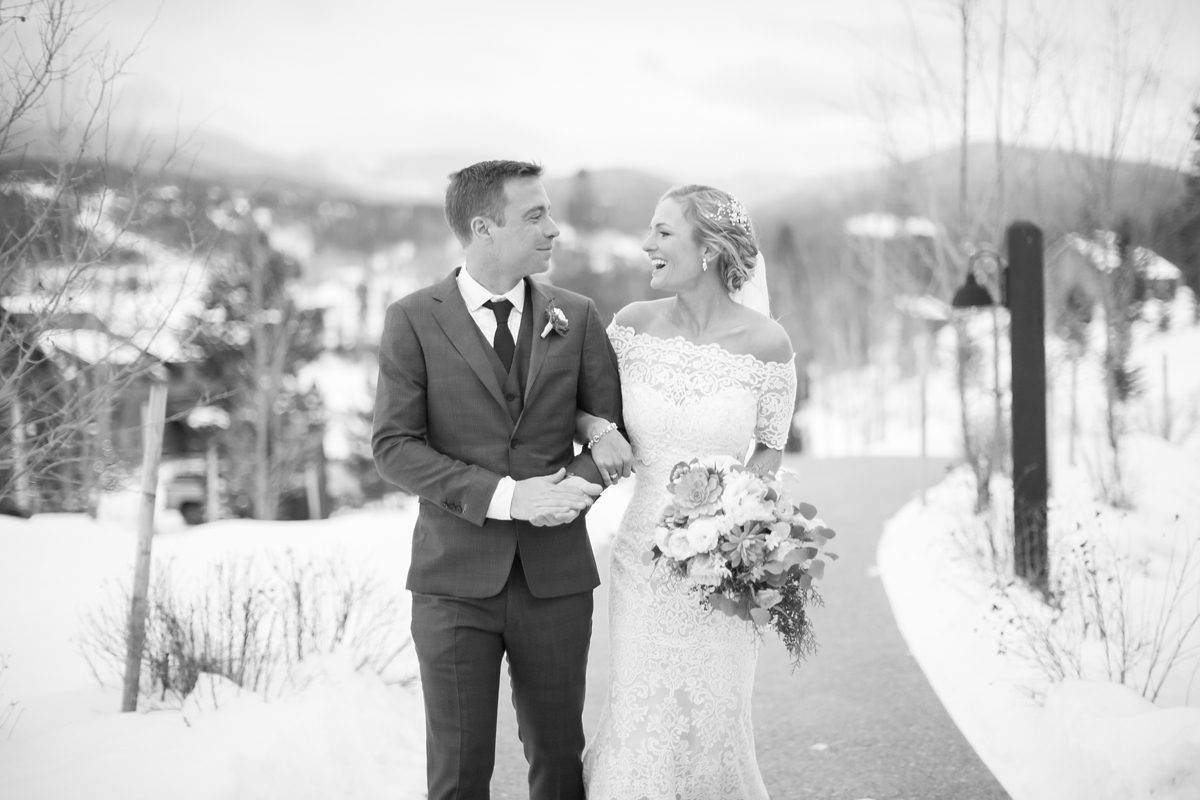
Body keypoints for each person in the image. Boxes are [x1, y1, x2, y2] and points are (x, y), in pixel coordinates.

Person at [372, 159, 623, 800]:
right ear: (484, 228)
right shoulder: (412, 320)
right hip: (454, 582)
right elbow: (394, 447)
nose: (554, 230)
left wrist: (571, 486)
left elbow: (613, 435)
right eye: (535, 215)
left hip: (557, 580)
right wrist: (512, 498)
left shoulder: (578, 315)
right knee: (458, 772)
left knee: (560, 762)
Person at [579, 185, 797, 799]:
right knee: (640, 713)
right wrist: (596, 431)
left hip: (720, 573)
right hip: (640, 564)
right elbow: (591, 412)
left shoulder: (767, 345)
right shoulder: (630, 328)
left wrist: (741, 523)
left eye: (663, 232)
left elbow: (770, 445)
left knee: (713, 719)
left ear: (708, 249)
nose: (647, 243)